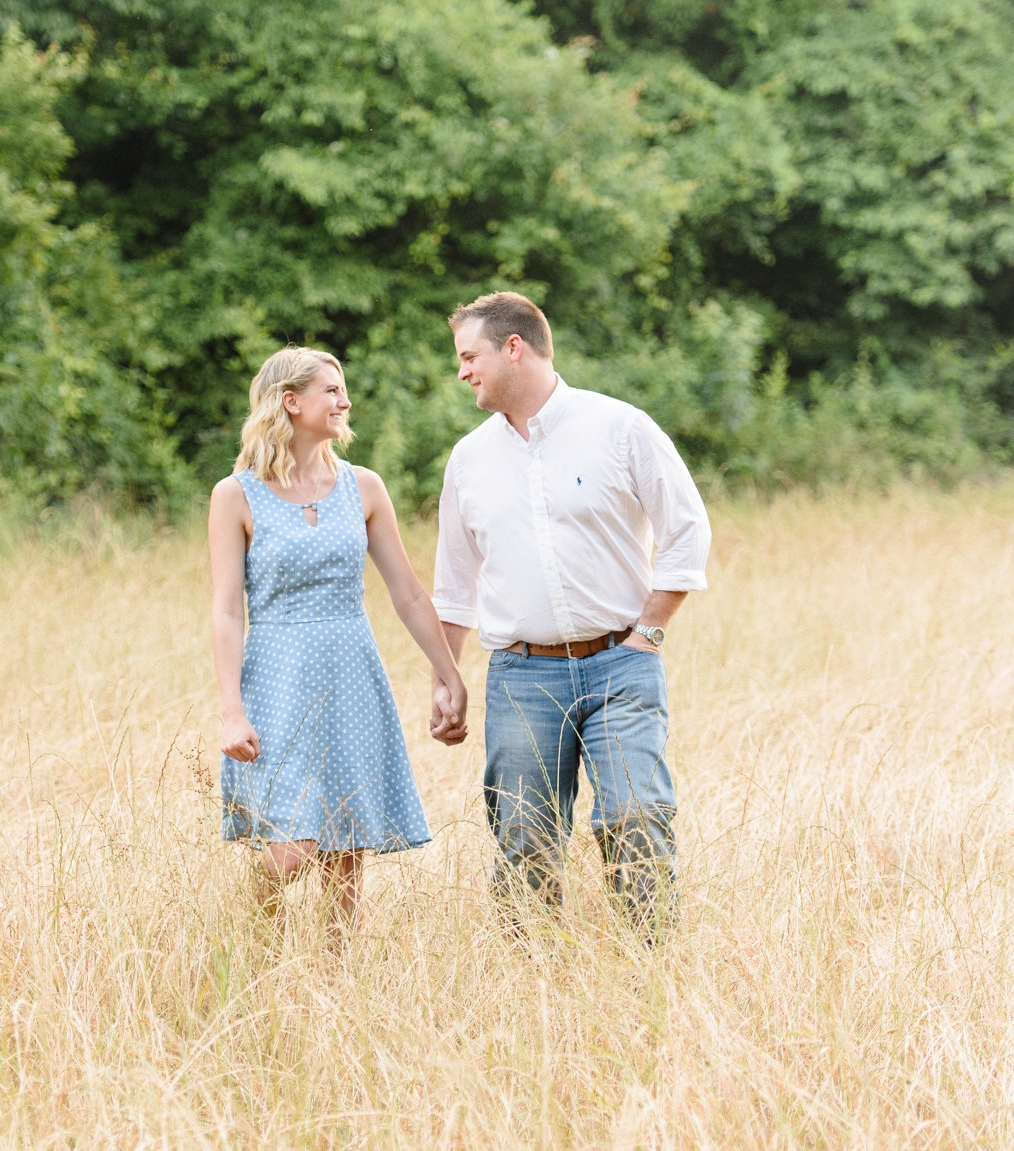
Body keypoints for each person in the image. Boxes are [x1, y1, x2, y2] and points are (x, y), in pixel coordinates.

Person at [426, 292, 710, 933]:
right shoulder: (469, 460)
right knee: (523, 834)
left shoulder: (621, 428)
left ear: (514, 348)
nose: (462, 371)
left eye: (470, 357)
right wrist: (447, 680)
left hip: (622, 665)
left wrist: (650, 632)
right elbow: (454, 585)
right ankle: (534, 986)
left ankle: (650, 971)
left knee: (635, 818)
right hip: (523, 677)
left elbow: (687, 531)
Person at [209, 346, 472, 942]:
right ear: (290, 401)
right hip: (277, 680)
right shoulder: (236, 495)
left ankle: (334, 986)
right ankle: (255, 952)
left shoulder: (365, 487)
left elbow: (406, 594)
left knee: (344, 856)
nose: (345, 401)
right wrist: (231, 711)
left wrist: (447, 671)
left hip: (351, 673)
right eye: (331, 390)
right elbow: (227, 610)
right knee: (291, 850)